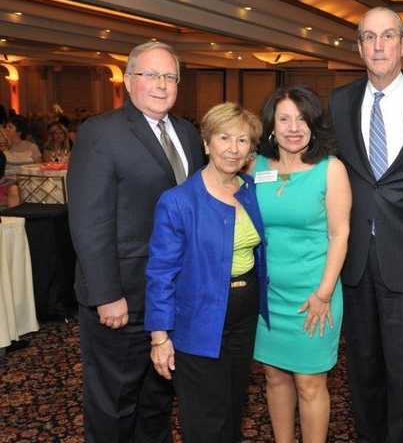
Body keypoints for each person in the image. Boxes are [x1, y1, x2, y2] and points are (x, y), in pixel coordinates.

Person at [67, 41, 204, 442]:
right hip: (121, 298)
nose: (161, 85)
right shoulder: (101, 132)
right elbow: (89, 221)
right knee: (114, 401)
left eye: (169, 76)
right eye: (150, 75)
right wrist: (106, 293)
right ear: (128, 82)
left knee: (157, 398)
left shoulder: (187, 134)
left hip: (171, 298)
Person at [329, 6, 403, 442]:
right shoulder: (340, 101)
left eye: (387, 36)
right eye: (369, 37)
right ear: (359, 47)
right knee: (362, 369)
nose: (378, 46)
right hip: (355, 259)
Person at [145, 102, 268, 442]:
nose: (233, 148)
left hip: (243, 318)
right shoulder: (179, 201)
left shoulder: (250, 191)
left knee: (232, 408)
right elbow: (160, 273)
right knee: (205, 419)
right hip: (199, 318)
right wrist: (159, 336)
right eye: (224, 138)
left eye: (242, 141)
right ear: (207, 143)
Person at [252, 86, 351, 443]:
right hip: (267, 296)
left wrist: (323, 295)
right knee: (274, 377)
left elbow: (340, 235)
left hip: (314, 294)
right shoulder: (254, 166)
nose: (294, 127)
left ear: (314, 125)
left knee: (310, 383)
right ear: (271, 126)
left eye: (302, 118)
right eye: (284, 119)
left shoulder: (330, 169)